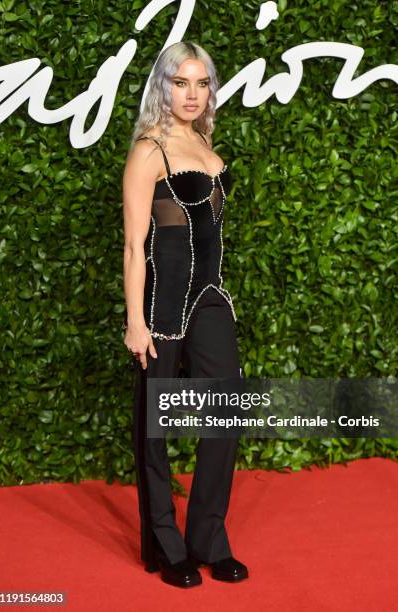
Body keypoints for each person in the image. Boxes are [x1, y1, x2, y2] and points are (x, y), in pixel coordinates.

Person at [122, 41, 248, 588]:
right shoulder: (149, 149)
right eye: (181, 83)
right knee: (154, 428)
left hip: (210, 298)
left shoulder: (203, 140)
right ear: (163, 86)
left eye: (201, 83)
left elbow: (210, 235)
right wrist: (134, 320)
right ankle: (166, 548)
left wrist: (222, 291)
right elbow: (134, 245)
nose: (192, 94)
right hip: (162, 304)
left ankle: (208, 539)